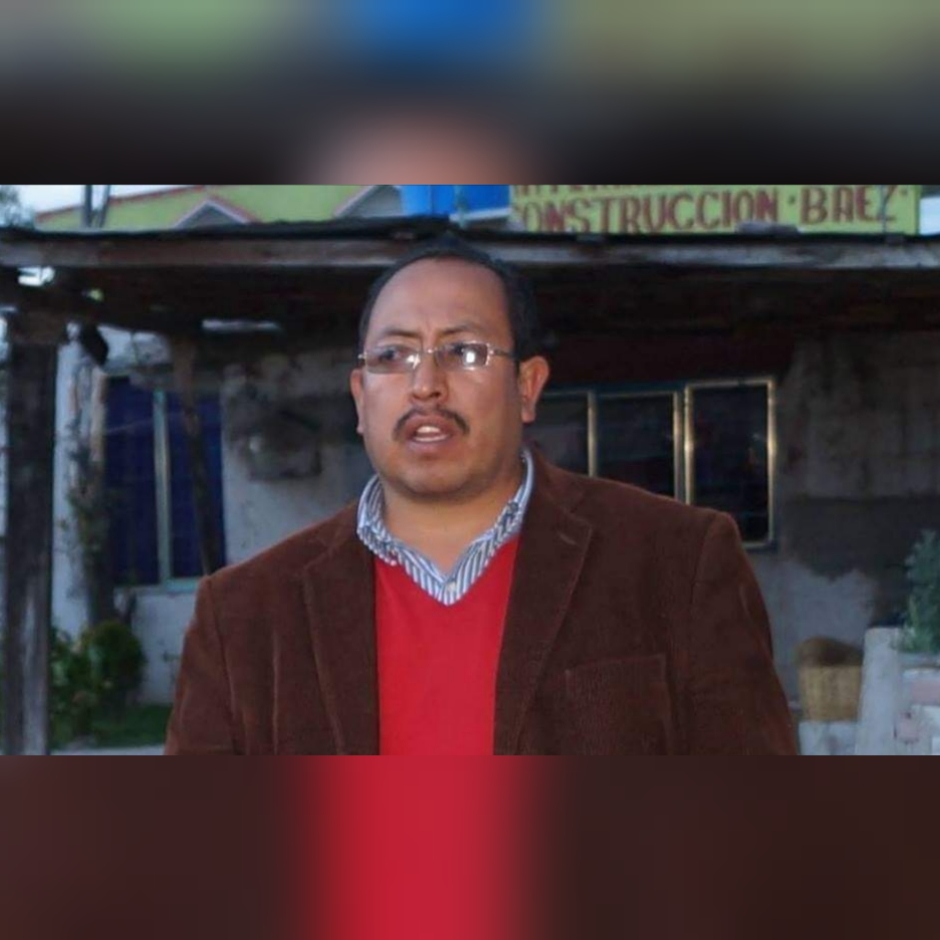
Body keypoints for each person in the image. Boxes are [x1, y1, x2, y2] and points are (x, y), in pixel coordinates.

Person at [165, 237, 796, 755]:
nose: (425, 385)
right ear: (360, 396)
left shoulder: (678, 562)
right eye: (394, 355)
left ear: (527, 387)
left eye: (463, 351)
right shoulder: (244, 615)